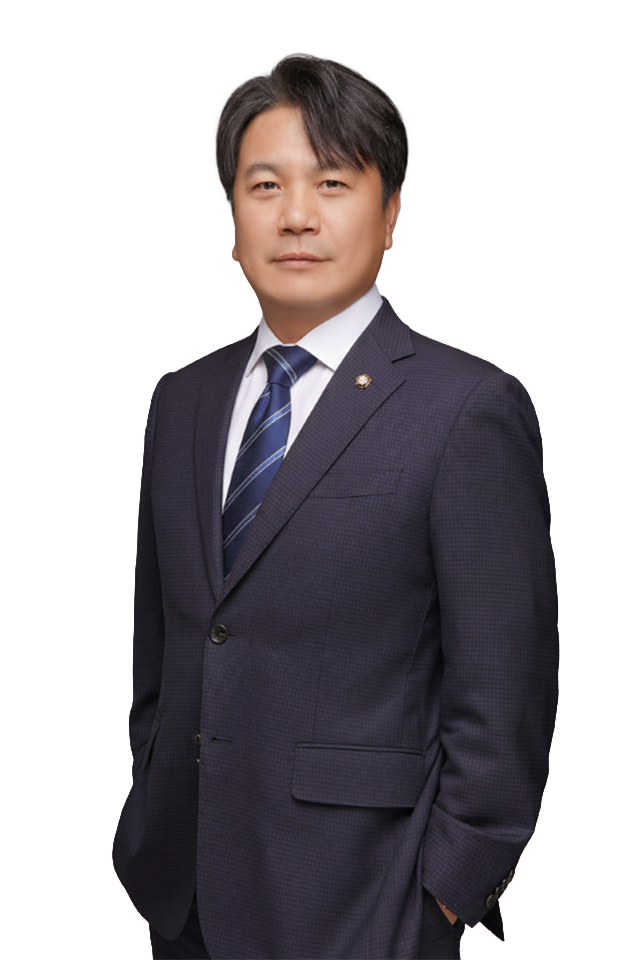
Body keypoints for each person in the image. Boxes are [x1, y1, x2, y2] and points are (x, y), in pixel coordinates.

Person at [113, 54, 558, 960]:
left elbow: (504, 693)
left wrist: (445, 893)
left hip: (366, 901)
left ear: (390, 213)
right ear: (232, 216)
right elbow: (167, 646)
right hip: (183, 893)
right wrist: (147, 814)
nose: (296, 215)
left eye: (333, 182)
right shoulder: (182, 400)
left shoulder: (465, 407)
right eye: (264, 185)